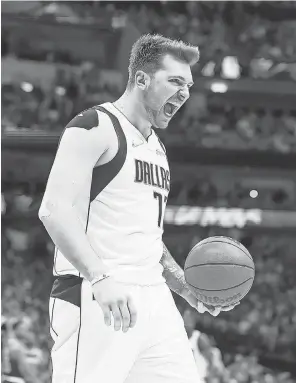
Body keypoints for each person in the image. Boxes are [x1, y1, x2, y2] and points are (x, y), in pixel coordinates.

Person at [39, 34, 238, 383]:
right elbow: (54, 210)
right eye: (175, 81)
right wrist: (99, 277)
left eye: (188, 85)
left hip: (156, 302)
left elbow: (146, 235)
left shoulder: (156, 148)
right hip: (99, 295)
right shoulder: (94, 126)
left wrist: (182, 285)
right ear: (141, 79)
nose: (185, 93)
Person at [183, 308, 227, 383]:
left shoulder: (199, 338)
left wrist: (211, 378)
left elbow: (212, 361)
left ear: (194, 321)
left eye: (189, 319)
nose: (187, 322)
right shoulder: (178, 338)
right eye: (185, 318)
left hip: (198, 378)